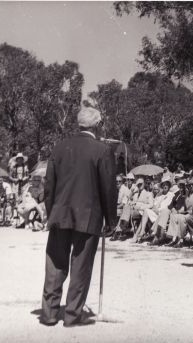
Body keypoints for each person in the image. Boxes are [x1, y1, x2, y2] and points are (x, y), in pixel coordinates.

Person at [40, 106, 117, 327]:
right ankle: (72, 315)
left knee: (55, 265)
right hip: (88, 216)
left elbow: (49, 185)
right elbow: (108, 188)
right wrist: (111, 221)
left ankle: (49, 314)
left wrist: (50, 211)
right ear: (97, 124)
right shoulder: (102, 150)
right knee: (80, 267)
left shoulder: (60, 147)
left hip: (60, 213)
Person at [166, 178, 193, 247]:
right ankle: (173, 238)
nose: (190, 186)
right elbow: (185, 207)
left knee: (180, 218)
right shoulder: (187, 195)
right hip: (187, 214)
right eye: (188, 185)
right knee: (174, 216)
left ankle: (180, 240)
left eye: (192, 185)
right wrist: (179, 211)